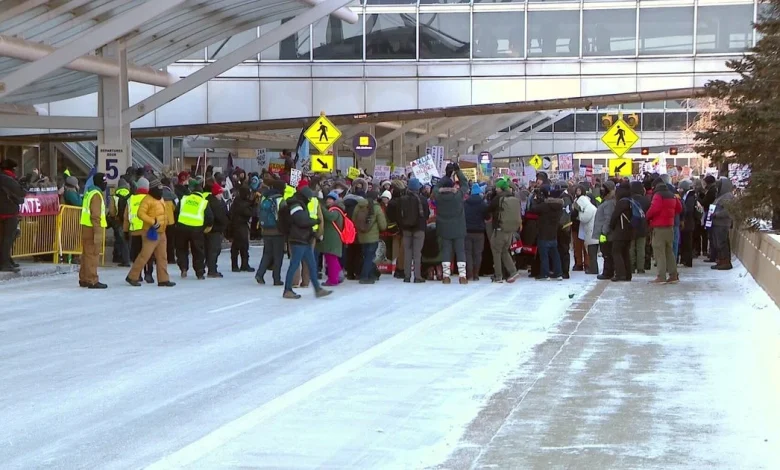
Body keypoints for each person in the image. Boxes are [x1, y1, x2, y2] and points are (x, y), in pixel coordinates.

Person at [280, 184, 332, 299]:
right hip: (298, 240)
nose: (310, 199)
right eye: (309, 197)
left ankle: (318, 289)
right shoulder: (295, 205)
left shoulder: (300, 204)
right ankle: (287, 290)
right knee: (294, 264)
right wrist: (315, 221)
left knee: (312, 265)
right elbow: (301, 220)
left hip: (305, 238)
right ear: (304, 196)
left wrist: (312, 233)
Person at [125, 178, 175, 287]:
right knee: (144, 255)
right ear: (152, 190)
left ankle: (163, 279)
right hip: (150, 232)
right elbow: (140, 214)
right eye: (159, 189)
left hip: (162, 232)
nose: (161, 191)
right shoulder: (147, 200)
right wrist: (152, 222)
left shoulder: (160, 199)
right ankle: (132, 276)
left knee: (162, 256)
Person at [433, 164, 469, 284]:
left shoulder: (438, 196)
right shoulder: (458, 196)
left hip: (444, 228)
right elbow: (465, 184)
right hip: (459, 228)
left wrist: (447, 175)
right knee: (460, 251)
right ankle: (462, 275)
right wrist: (458, 171)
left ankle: (446, 276)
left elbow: (436, 187)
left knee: (446, 251)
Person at [646, 178, 683, 284]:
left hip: (659, 227)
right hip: (670, 226)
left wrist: (647, 217)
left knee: (659, 251)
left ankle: (661, 276)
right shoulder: (672, 195)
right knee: (669, 251)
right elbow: (679, 208)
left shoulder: (658, 196)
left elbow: (654, 209)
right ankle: (673, 275)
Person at [486, 178, 521, 283]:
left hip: (499, 228)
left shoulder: (498, 198)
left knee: (496, 251)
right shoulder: (513, 197)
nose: (496, 189)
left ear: (500, 188)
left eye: (497, 187)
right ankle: (513, 271)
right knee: (505, 251)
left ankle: (498, 276)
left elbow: (489, 209)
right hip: (509, 229)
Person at [176, 179, 212, 280]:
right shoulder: (203, 202)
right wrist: (205, 227)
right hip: (196, 229)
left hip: (182, 227)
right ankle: (199, 272)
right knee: (198, 250)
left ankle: (183, 268)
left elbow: (176, 212)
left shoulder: (184, 199)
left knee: (182, 249)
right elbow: (210, 217)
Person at [78, 172, 108, 288]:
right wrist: (97, 232)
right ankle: (92, 280)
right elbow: (95, 215)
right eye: (104, 182)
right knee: (93, 255)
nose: (106, 185)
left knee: (86, 254)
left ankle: (84, 278)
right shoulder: (96, 195)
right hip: (93, 228)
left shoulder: (89, 192)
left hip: (86, 227)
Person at [529, 185, 564, 280]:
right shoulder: (559, 206)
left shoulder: (545, 206)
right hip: (553, 233)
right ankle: (558, 273)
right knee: (555, 255)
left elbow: (532, 209)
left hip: (543, 233)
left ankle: (545, 273)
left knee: (544, 256)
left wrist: (535, 199)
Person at [398, 178, 429, 283]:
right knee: (417, 253)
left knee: (407, 252)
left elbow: (399, 215)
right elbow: (427, 214)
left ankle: (407, 276)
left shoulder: (402, 199)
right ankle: (417, 276)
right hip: (419, 229)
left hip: (406, 229)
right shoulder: (423, 200)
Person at [353, 190, 387, 284]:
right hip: (373, 237)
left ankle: (372, 274)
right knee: (369, 257)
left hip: (361, 236)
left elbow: (354, 219)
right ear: (376, 198)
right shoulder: (376, 207)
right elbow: (383, 225)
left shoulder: (359, 205)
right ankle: (364, 276)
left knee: (366, 256)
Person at [255, 179, 285, 285]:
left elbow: (258, 212)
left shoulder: (265, 198)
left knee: (267, 254)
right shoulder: (280, 200)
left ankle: (260, 273)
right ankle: (276, 278)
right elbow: (284, 217)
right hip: (277, 232)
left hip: (265, 230)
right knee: (278, 255)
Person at [126, 177, 155, 283]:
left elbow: (126, 217)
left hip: (135, 231)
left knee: (137, 254)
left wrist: (125, 231)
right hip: (147, 230)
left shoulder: (131, 199)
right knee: (148, 253)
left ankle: (137, 275)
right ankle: (149, 274)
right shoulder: (151, 199)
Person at [0, 159, 26, 273]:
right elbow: (22, 192)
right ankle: (5, 262)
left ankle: (6, 260)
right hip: (8, 213)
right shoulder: (8, 179)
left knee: (2, 238)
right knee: (8, 238)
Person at [609, 183, 635, 282]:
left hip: (620, 231)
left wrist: (611, 227)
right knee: (625, 252)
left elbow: (614, 216)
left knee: (616, 252)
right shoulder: (630, 201)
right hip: (629, 231)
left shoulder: (621, 202)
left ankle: (620, 274)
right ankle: (628, 274)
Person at [319, 192, 346, 286]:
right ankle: (338, 276)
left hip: (333, 240)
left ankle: (333, 280)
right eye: (327, 199)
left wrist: (321, 207)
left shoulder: (335, 210)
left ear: (335, 201)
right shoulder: (334, 209)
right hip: (331, 239)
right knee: (332, 259)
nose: (328, 201)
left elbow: (330, 217)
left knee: (331, 260)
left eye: (330, 199)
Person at [464, 183, 487, 282]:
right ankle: (476, 274)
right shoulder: (483, 204)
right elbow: (487, 217)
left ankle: (469, 273)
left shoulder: (465, 203)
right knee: (478, 253)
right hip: (479, 232)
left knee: (468, 253)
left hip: (467, 231)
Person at [593, 180, 616, 280]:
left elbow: (608, 218)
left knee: (606, 253)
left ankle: (608, 272)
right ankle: (608, 271)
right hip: (604, 232)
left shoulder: (609, 203)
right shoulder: (605, 201)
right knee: (605, 252)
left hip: (606, 233)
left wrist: (603, 232)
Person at [710, 177, 734, 270]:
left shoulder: (728, 196)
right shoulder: (720, 196)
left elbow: (727, 211)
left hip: (722, 223)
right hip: (717, 223)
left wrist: (716, 214)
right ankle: (720, 260)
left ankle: (725, 262)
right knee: (718, 243)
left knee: (722, 243)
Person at [205, 183, 229, 278]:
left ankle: (210, 266)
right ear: (216, 193)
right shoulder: (215, 204)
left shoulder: (209, 200)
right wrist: (226, 223)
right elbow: (221, 217)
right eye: (220, 193)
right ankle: (212, 270)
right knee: (214, 250)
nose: (221, 195)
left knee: (211, 249)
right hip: (215, 229)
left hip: (210, 229)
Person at [229, 186, 254, 272]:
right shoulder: (243, 204)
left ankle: (236, 265)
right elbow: (249, 213)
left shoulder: (236, 202)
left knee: (236, 246)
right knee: (242, 246)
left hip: (235, 226)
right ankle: (243, 264)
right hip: (241, 226)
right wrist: (253, 205)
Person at [574, 193, 599, 275]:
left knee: (592, 253)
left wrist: (580, 213)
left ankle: (593, 269)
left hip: (591, 232)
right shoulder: (590, 207)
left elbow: (583, 219)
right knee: (591, 252)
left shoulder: (589, 208)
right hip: (591, 232)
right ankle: (593, 268)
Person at [629, 181, 651, 274]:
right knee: (641, 248)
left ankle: (631, 267)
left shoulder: (629, 199)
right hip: (643, 226)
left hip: (631, 226)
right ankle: (640, 267)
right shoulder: (646, 200)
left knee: (631, 248)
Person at [109, 178, 131, 267]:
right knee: (128, 240)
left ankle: (124, 260)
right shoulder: (131, 195)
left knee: (121, 240)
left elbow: (112, 211)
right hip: (129, 220)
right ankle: (129, 258)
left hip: (119, 221)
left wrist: (114, 217)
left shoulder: (115, 196)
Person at [678, 179, 697, 268]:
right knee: (685, 242)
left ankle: (687, 260)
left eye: (681, 188)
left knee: (687, 242)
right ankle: (684, 259)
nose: (679, 190)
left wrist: (682, 209)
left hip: (688, 222)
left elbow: (689, 209)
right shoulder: (688, 196)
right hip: (687, 222)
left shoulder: (690, 197)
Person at [570, 184, 589, 272]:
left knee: (585, 246)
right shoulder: (574, 200)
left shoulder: (587, 200)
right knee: (577, 246)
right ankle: (579, 263)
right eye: (576, 191)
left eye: (579, 191)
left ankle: (587, 263)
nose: (577, 192)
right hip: (576, 226)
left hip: (584, 225)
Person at [701, 174, 719, 263]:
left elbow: (705, 202)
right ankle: (712, 253)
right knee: (710, 235)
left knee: (711, 234)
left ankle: (713, 255)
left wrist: (700, 199)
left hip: (710, 213)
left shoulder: (711, 191)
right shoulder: (713, 190)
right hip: (710, 213)